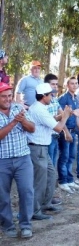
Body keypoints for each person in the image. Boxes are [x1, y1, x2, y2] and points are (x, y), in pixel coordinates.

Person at [27, 83, 72, 220]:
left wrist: (60, 117)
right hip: (38, 148)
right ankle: (35, 211)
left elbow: (48, 122)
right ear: (43, 96)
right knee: (40, 181)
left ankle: (45, 204)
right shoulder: (39, 110)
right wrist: (65, 116)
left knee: (51, 175)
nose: (52, 97)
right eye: (50, 95)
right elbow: (58, 128)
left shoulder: (40, 107)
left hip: (42, 148)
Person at [0, 82, 35, 239]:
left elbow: (32, 128)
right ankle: (7, 225)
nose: (8, 99)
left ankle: (26, 225)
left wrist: (23, 121)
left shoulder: (18, 109)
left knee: (27, 191)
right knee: (2, 196)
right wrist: (14, 122)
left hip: (23, 158)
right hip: (2, 160)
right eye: (3, 96)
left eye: (9, 96)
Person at [56, 77, 79, 194]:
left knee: (71, 156)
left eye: (76, 83)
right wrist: (66, 132)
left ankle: (69, 179)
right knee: (64, 157)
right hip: (65, 131)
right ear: (67, 85)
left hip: (73, 130)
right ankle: (62, 181)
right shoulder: (63, 99)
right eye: (72, 83)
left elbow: (76, 116)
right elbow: (62, 117)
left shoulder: (75, 98)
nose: (74, 85)